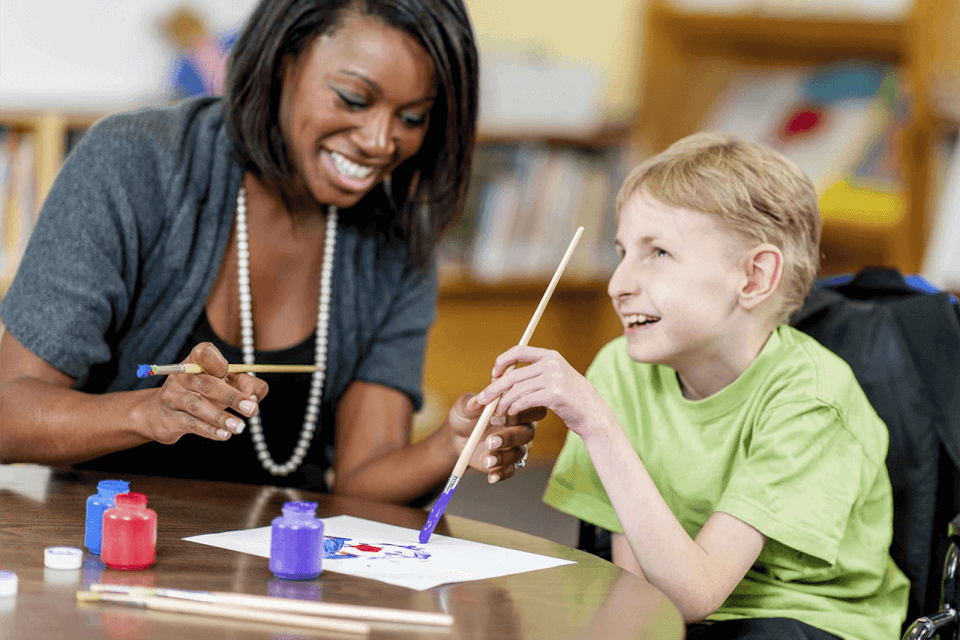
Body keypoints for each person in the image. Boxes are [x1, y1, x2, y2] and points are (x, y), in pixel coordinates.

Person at [0, 0, 539, 503]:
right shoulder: (134, 165)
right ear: (285, 60)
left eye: (413, 117)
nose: (380, 141)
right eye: (353, 98)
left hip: (287, 570)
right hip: (111, 554)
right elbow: (8, 414)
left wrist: (454, 442)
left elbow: (363, 476)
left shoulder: (396, 238)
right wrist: (148, 411)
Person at [472, 133, 910, 639]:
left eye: (657, 252)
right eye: (621, 252)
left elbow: (693, 597)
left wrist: (597, 423)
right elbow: (643, 598)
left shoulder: (811, 400)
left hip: (804, 619)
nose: (618, 284)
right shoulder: (620, 368)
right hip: (679, 604)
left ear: (753, 277)